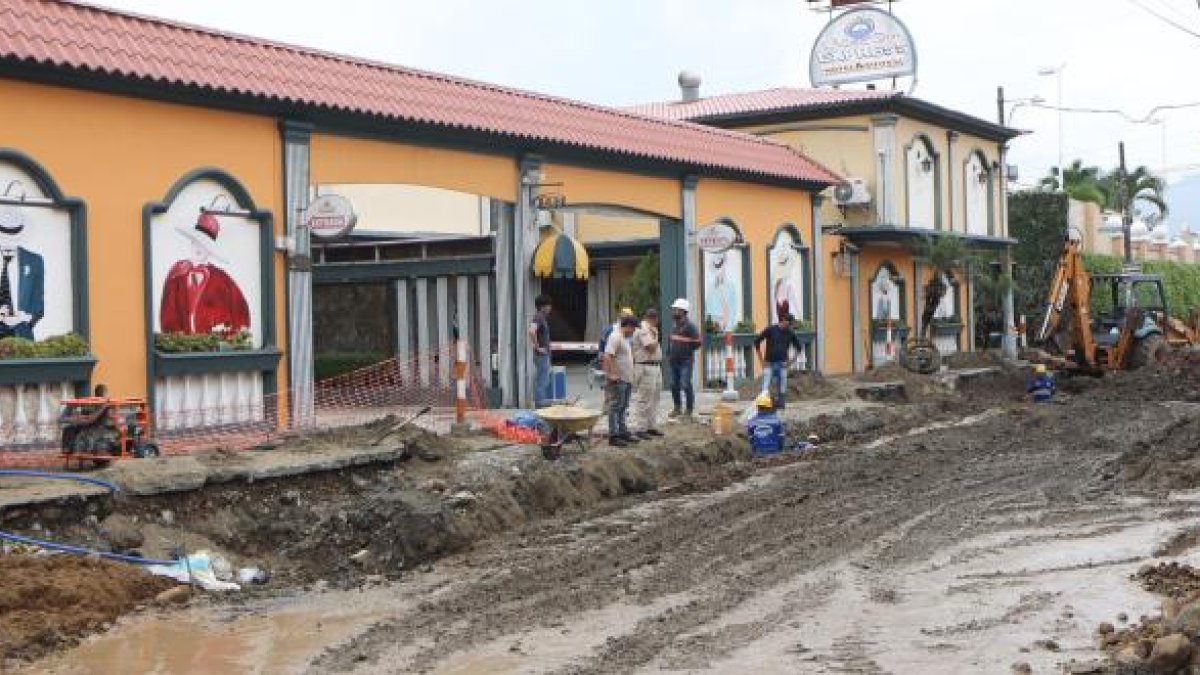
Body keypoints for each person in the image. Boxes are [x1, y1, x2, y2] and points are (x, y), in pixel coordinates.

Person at [160, 211, 250, 336]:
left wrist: (227, 333)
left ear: (210, 250)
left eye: (204, 245)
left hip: (212, 347)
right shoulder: (177, 273)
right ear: (191, 242)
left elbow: (240, 312)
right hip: (181, 346)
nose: (199, 248)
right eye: (196, 242)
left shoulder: (222, 279)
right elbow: (168, 310)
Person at [603, 316, 639, 446]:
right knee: (615, 406)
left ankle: (623, 431)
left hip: (626, 379)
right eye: (633, 328)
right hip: (618, 380)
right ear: (628, 326)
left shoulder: (624, 338)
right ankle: (614, 435)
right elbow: (607, 355)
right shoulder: (615, 336)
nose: (634, 331)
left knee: (623, 406)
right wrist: (612, 374)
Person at [754, 313, 803, 407]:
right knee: (766, 383)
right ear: (784, 320)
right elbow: (757, 342)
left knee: (782, 385)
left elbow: (799, 348)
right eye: (789, 323)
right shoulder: (770, 330)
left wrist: (790, 362)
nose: (790, 326)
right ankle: (763, 404)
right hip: (769, 363)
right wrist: (761, 360)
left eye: (791, 324)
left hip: (782, 364)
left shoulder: (790, 332)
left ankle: (781, 404)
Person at [629, 308, 663, 439]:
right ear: (653, 319)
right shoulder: (643, 328)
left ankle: (651, 426)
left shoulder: (651, 329)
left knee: (655, 398)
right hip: (645, 366)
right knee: (644, 398)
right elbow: (651, 347)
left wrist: (655, 334)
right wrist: (655, 335)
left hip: (655, 366)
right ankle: (641, 427)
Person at [667, 298, 702, 419]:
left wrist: (687, 349)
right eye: (673, 309)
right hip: (673, 361)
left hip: (686, 361)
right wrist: (669, 354)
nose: (673, 312)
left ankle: (689, 409)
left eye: (676, 309)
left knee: (685, 384)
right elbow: (670, 341)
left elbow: (698, 343)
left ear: (683, 311)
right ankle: (677, 407)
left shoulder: (691, 327)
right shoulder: (674, 326)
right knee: (673, 384)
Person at [528, 294, 553, 407]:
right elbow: (531, 331)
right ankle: (540, 404)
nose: (550, 308)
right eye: (548, 305)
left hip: (543, 354)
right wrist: (538, 347)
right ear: (542, 306)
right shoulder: (538, 317)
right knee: (542, 379)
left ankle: (540, 402)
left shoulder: (541, 317)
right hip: (541, 355)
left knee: (543, 378)